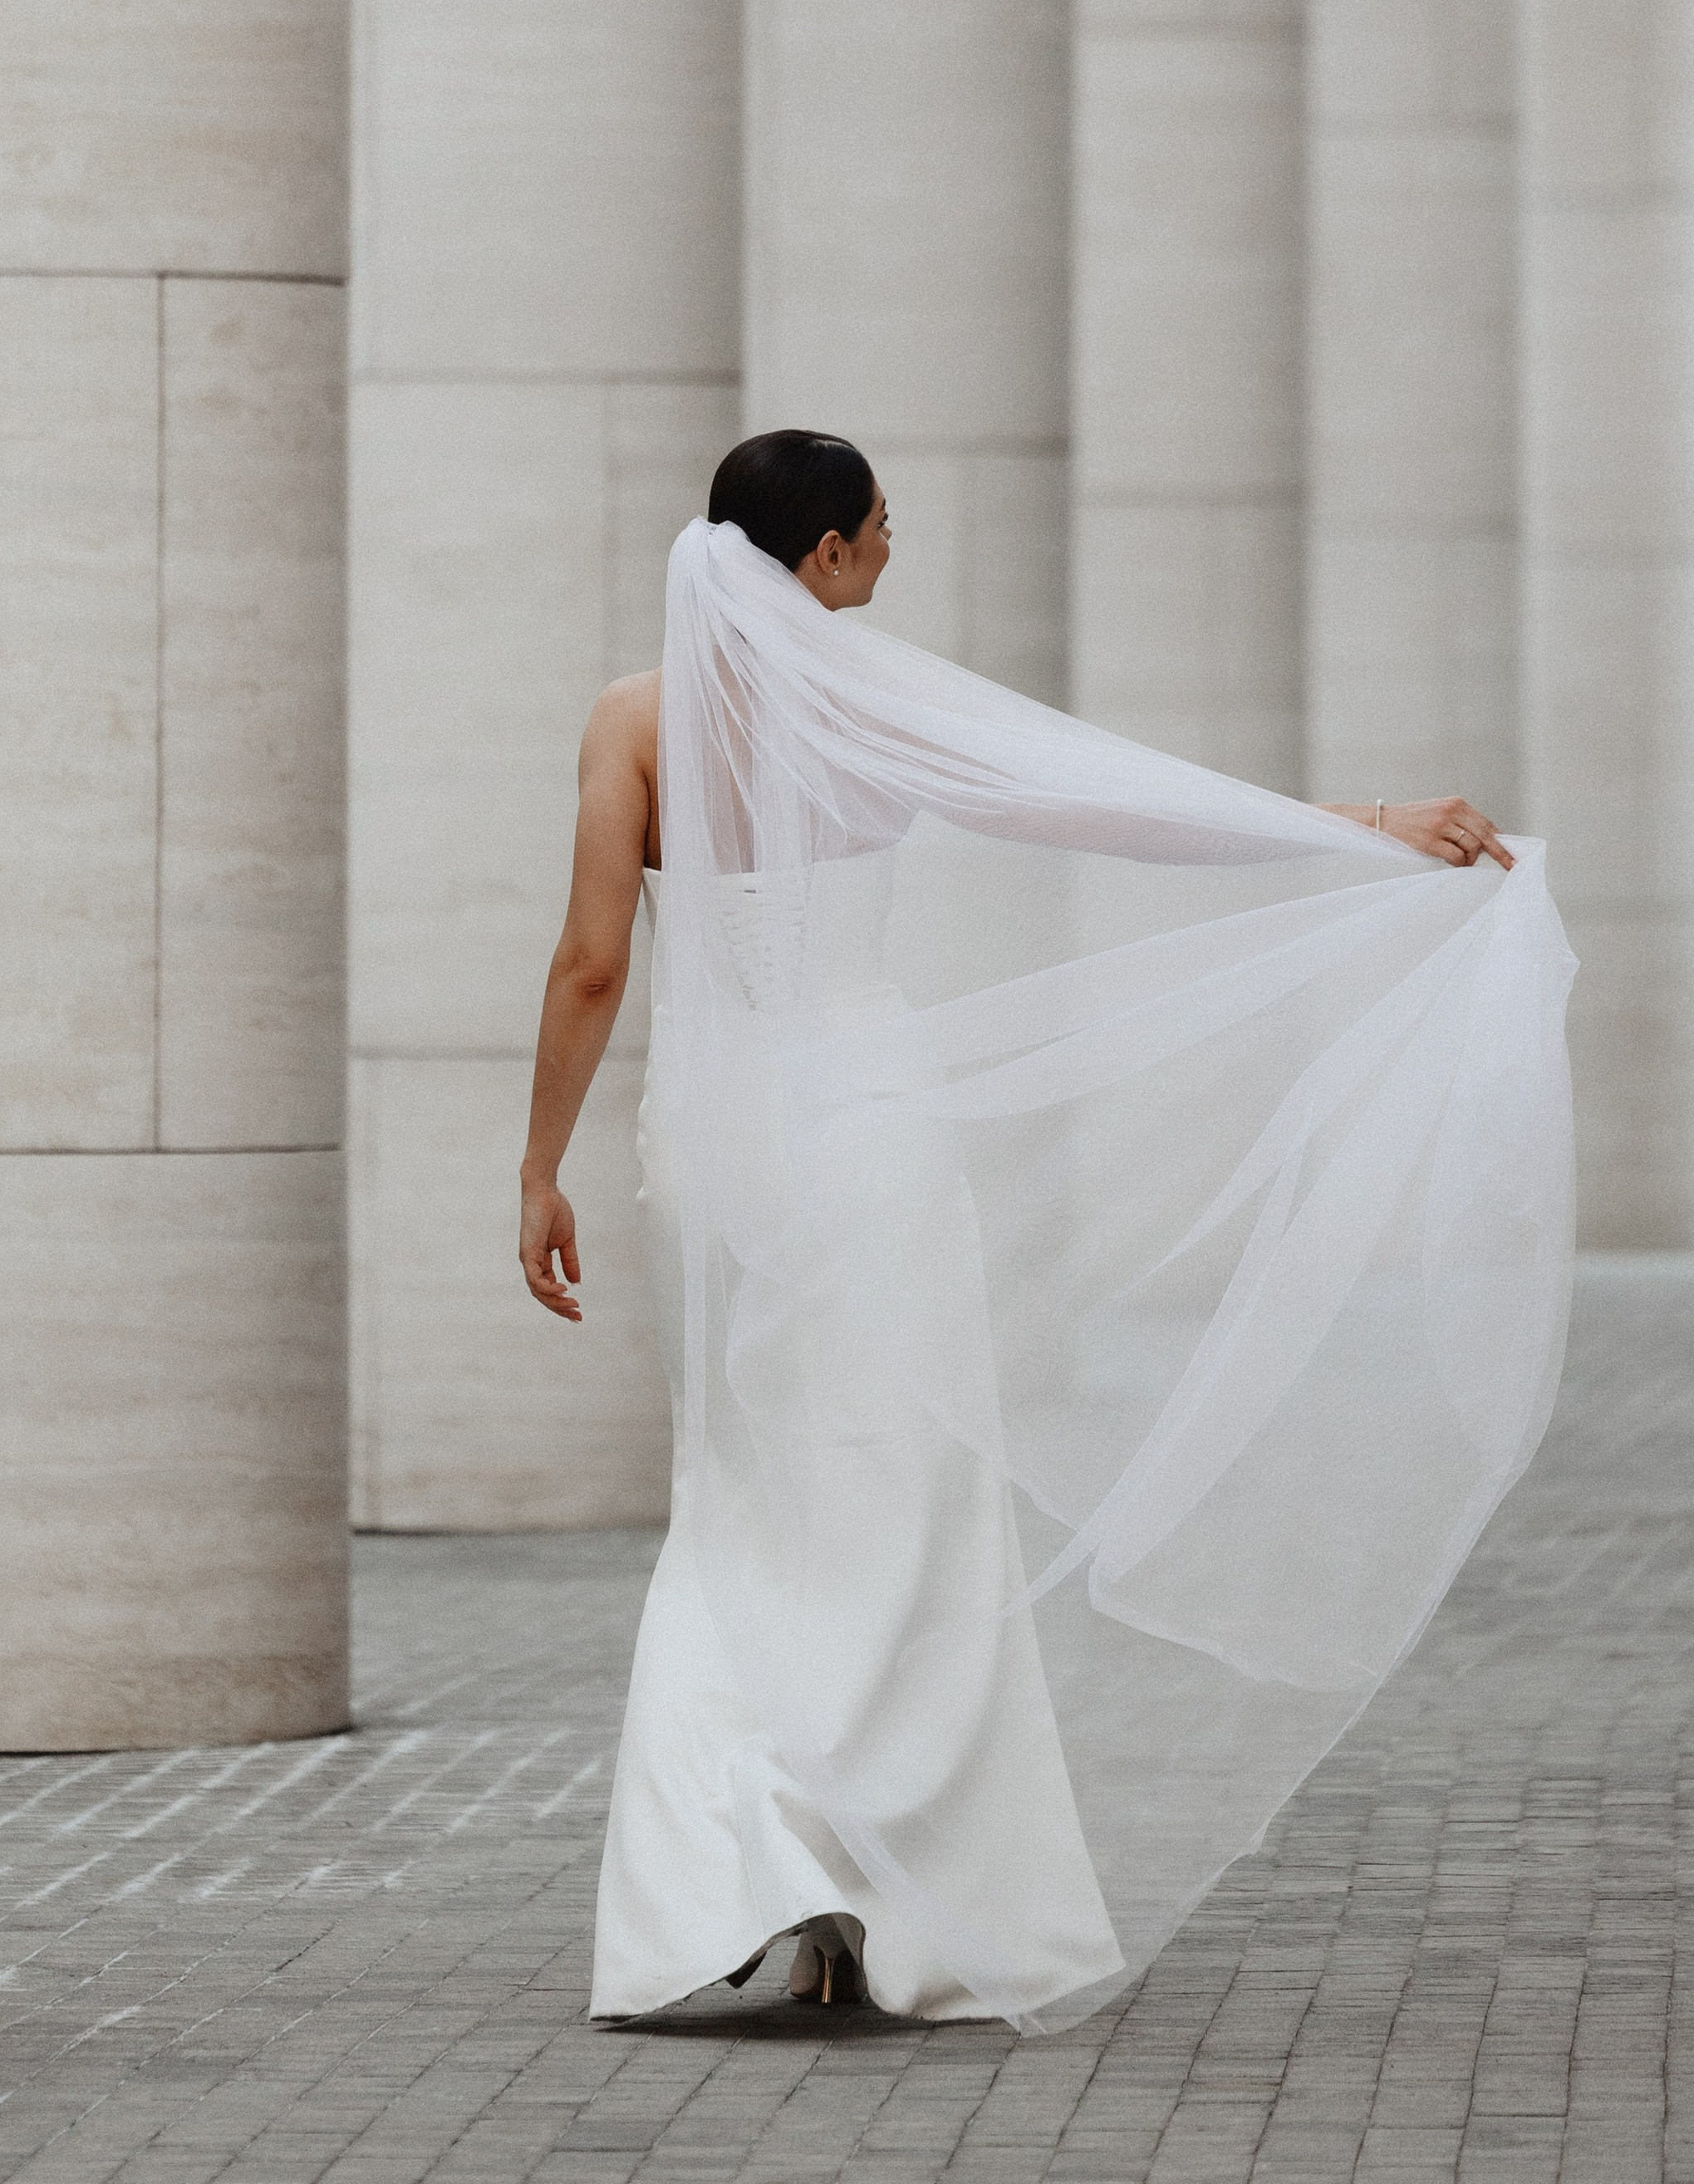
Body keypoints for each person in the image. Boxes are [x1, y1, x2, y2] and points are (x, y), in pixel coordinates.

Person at [520, 432, 1576, 2029]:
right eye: (879, 528)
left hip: (715, 1155)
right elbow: (1112, 810)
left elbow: (593, 963)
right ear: (819, 558)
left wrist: (539, 1169)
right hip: (868, 1138)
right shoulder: (867, 705)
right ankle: (898, 1892)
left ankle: (739, 1870)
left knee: (740, 1500)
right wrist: (1365, 825)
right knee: (906, 1491)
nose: (894, 548)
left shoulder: (630, 720)